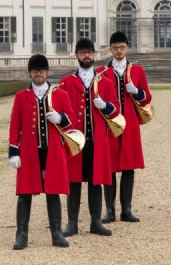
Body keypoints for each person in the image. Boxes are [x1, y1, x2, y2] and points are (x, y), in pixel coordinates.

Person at [8, 54, 75, 250]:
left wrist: (60, 118)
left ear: (47, 72)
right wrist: (14, 152)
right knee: (25, 193)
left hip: (52, 150)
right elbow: (15, 126)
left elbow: (71, 120)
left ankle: (56, 233)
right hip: (29, 152)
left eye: (42, 70)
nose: (39, 73)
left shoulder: (60, 94)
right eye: (35, 70)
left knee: (53, 192)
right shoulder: (21, 97)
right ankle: (21, 234)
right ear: (30, 73)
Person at [60, 38, 121, 237]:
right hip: (76, 140)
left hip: (97, 140)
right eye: (83, 52)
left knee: (96, 181)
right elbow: (61, 111)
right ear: (76, 55)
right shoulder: (66, 82)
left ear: (94, 55)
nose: (87, 56)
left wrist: (106, 105)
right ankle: (72, 223)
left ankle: (96, 221)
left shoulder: (106, 82)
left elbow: (116, 111)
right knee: (73, 181)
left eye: (89, 52)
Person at [97, 31, 152, 223]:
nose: (119, 51)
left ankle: (126, 209)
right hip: (110, 125)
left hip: (129, 124)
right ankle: (110, 210)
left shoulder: (137, 71)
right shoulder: (101, 72)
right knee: (110, 166)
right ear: (110, 49)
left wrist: (137, 92)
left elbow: (147, 98)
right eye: (115, 48)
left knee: (129, 166)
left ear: (127, 48)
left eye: (121, 47)